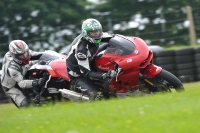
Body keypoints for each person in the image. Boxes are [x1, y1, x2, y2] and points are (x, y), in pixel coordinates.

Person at [66, 18, 116, 100]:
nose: (96, 34)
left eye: (98, 31)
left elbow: (113, 37)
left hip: (90, 61)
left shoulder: (98, 35)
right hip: (78, 74)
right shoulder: (81, 50)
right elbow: (86, 73)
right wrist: (104, 76)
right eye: (93, 32)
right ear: (86, 33)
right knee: (99, 96)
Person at [1, 40, 46, 108]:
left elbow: (42, 55)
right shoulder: (11, 67)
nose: (25, 56)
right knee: (26, 105)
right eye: (21, 55)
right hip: (11, 86)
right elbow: (22, 83)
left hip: (22, 72)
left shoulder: (25, 51)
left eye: (25, 53)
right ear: (14, 55)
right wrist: (37, 82)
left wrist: (58, 56)